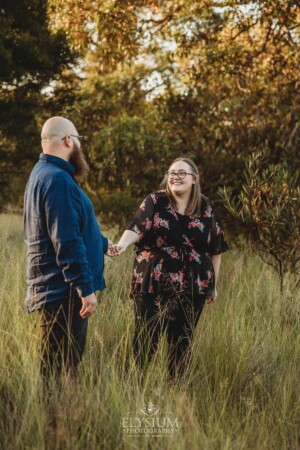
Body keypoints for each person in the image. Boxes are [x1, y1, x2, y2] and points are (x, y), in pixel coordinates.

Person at [114, 157, 229, 379]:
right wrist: (121, 244)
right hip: (154, 281)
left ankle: (175, 393)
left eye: (181, 173)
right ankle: (136, 387)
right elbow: (137, 227)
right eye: (171, 173)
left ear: (194, 179)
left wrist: (213, 284)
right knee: (146, 339)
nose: (175, 177)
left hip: (193, 286)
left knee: (182, 343)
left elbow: (216, 248)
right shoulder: (155, 201)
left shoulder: (206, 207)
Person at [24, 116, 114, 381]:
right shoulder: (58, 180)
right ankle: (56, 420)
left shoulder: (43, 174)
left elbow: (66, 226)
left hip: (56, 288)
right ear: (67, 141)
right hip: (63, 291)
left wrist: (104, 245)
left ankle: (56, 416)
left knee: (57, 366)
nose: (79, 147)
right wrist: (85, 289)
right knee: (62, 370)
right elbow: (66, 240)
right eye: (78, 140)